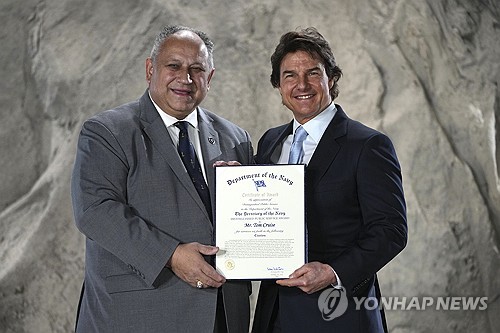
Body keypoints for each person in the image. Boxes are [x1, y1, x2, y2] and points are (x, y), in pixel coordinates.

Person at [71, 25, 253, 333]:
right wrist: (170, 255)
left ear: (208, 79)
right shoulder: (107, 132)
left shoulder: (236, 138)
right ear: (150, 69)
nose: (186, 78)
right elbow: (96, 211)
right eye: (174, 66)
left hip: (221, 315)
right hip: (139, 314)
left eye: (197, 69)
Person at [251, 27, 407, 333]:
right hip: (274, 312)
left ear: (330, 78)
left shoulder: (367, 145)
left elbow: (391, 231)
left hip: (339, 312)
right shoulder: (270, 142)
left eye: (313, 73)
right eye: (290, 76)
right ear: (278, 85)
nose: (302, 85)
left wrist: (333, 272)